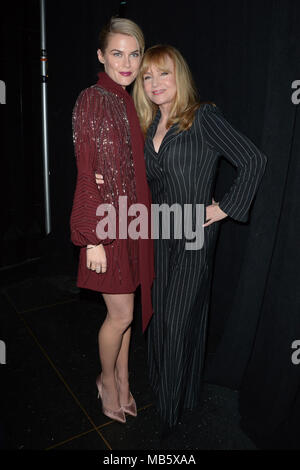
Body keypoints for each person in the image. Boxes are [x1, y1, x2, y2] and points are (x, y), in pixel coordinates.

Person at [96, 44, 267, 430]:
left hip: (193, 234)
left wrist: (224, 207)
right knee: (160, 322)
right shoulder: (147, 124)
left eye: (164, 73)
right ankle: (179, 394)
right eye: (148, 76)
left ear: (180, 77)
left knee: (175, 323)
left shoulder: (202, 117)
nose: (156, 83)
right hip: (155, 231)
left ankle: (168, 420)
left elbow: (253, 159)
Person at [70, 18, 154, 424]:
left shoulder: (127, 100)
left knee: (128, 313)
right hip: (107, 227)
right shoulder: (93, 97)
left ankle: (123, 377)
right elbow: (87, 171)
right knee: (119, 315)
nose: (127, 62)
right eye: (117, 53)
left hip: (132, 223)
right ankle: (106, 380)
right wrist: (92, 239)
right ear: (101, 56)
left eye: (134, 53)